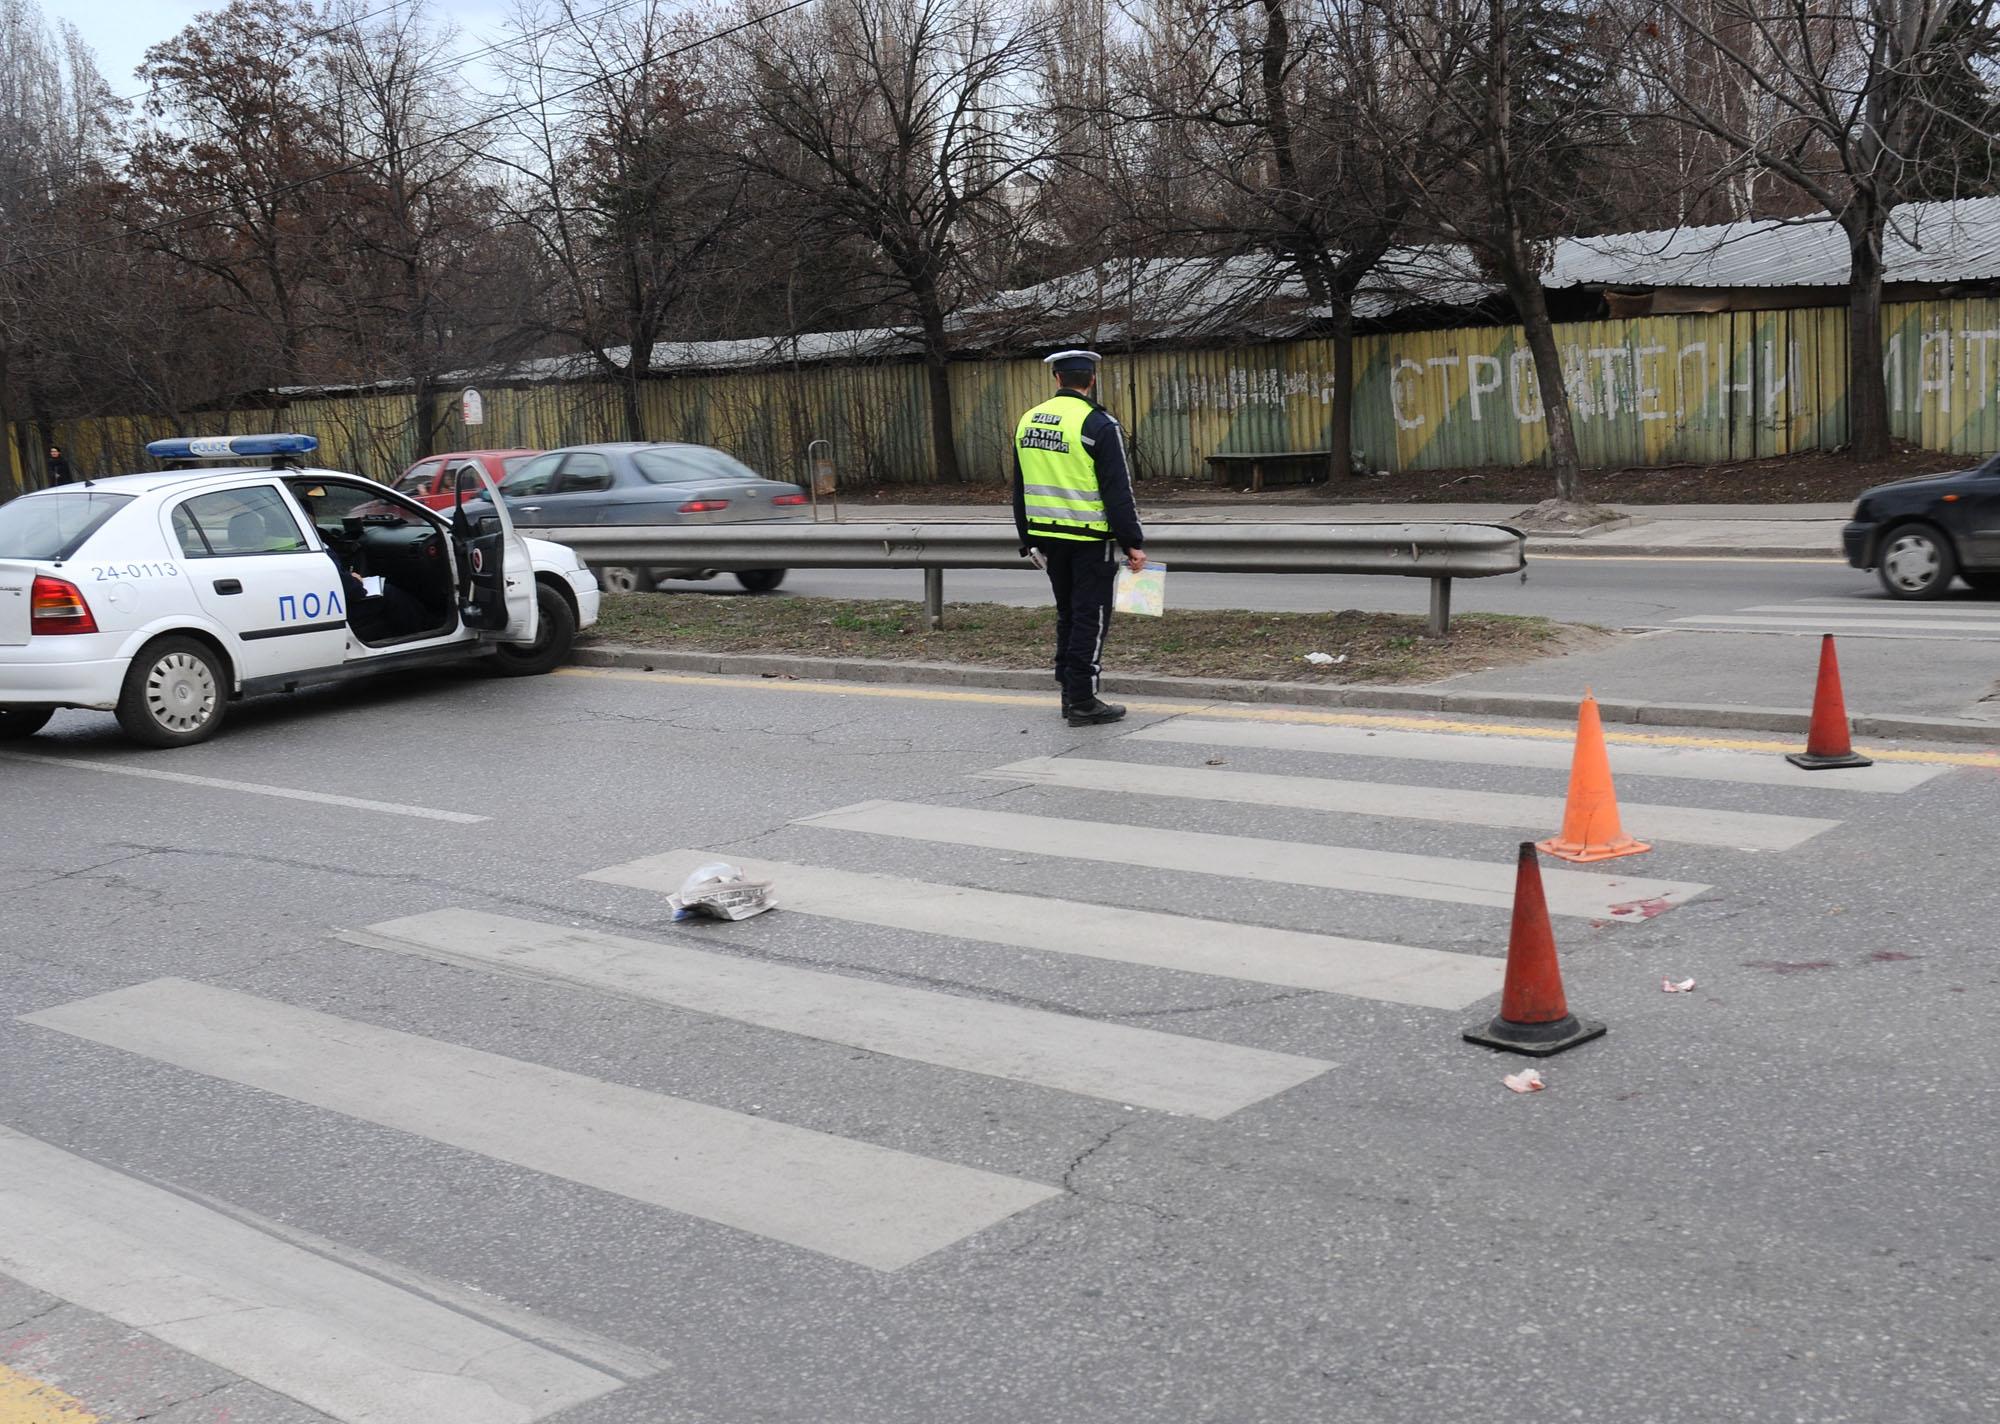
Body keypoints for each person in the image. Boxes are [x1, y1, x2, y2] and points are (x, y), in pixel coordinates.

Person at [1012, 349, 1146, 727]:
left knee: (1068, 614)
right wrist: (1132, 542)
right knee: (1091, 617)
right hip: (1089, 539)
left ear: (1057, 379)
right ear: (1091, 380)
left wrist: (1028, 539)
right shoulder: (1099, 423)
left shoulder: (1029, 420)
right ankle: (1083, 700)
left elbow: (1019, 488)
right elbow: (1118, 491)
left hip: (1046, 537)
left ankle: (1068, 693)